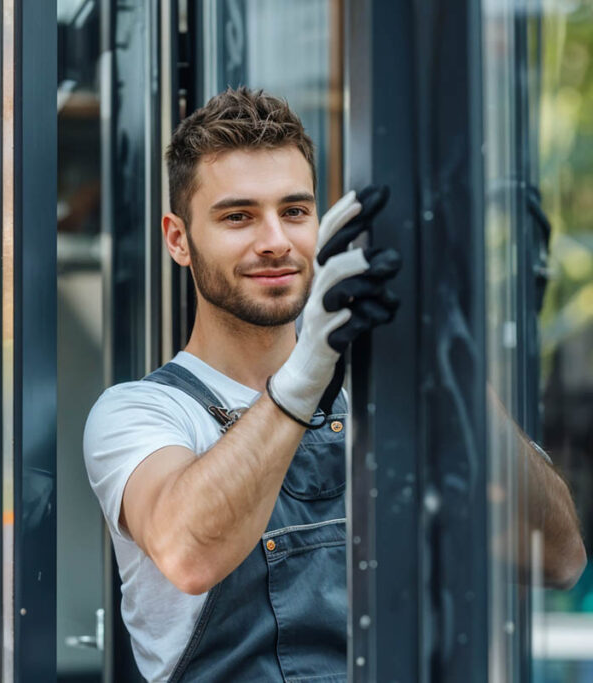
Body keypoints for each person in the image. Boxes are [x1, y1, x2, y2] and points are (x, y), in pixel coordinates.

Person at [83, 87, 587, 682]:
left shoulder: (383, 398)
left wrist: (451, 359)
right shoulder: (140, 413)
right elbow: (188, 551)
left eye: (295, 212)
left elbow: (559, 558)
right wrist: (305, 375)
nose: (275, 240)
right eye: (238, 216)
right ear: (177, 238)